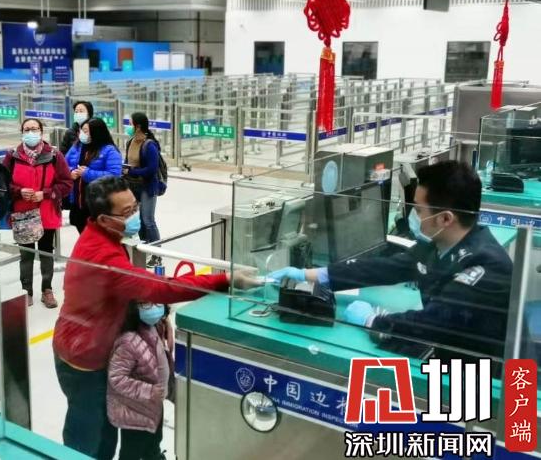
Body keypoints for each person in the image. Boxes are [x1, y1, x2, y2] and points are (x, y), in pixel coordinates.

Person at [53, 176, 260, 459]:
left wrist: (155, 313)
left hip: (94, 345)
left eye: (135, 206)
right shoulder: (102, 255)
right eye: (127, 212)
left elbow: (126, 290)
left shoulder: (105, 237)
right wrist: (223, 280)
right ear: (103, 219)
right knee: (91, 440)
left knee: (106, 429)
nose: (135, 215)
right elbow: (160, 287)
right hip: (84, 361)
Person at [270, 160, 513, 361]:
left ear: (445, 219)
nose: (413, 216)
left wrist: (373, 321)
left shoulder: (485, 268)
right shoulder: (443, 245)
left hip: (485, 382)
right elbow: (385, 268)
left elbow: (431, 325)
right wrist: (311, 275)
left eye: (419, 210)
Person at [3, 118, 73, 308]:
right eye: (27, 129)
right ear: (22, 132)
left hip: (46, 212)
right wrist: (19, 191)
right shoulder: (12, 156)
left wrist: (46, 193)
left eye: (34, 129)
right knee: (26, 254)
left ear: (41, 132)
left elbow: (66, 183)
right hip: (22, 213)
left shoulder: (54, 155)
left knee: (46, 251)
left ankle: (46, 290)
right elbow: (2, 184)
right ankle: (26, 291)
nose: (30, 132)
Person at [107, 301, 174, 460]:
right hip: (135, 414)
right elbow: (117, 378)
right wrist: (150, 391)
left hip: (154, 406)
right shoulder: (128, 341)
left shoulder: (156, 328)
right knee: (132, 452)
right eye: (145, 304)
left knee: (154, 442)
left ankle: (154, 455)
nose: (154, 307)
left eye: (157, 302)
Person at [65, 118, 122, 234]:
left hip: (98, 204)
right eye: (82, 130)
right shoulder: (77, 147)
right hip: (78, 202)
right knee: (82, 231)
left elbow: (114, 175)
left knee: (97, 236)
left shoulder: (109, 150)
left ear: (96, 133)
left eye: (86, 131)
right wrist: (70, 172)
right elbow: (64, 164)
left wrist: (87, 173)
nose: (82, 134)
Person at [124, 112, 163, 268]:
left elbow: (151, 169)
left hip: (147, 187)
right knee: (138, 221)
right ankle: (145, 248)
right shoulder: (130, 142)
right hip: (133, 186)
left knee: (148, 220)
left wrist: (132, 172)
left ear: (138, 126)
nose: (128, 127)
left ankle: (157, 254)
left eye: (130, 123)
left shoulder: (149, 145)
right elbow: (128, 161)